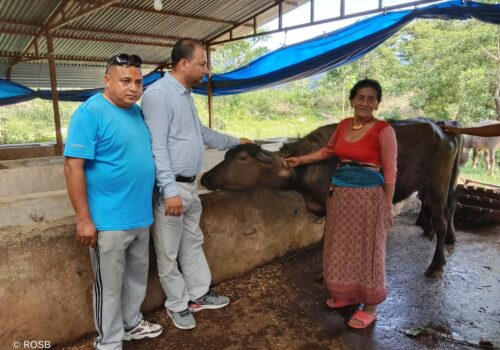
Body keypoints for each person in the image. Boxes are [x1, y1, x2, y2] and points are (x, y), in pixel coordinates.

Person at [141, 39, 252, 330]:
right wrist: (170, 190)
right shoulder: (158, 95)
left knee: (192, 242)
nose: (206, 70)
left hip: (190, 186)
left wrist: (235, 142)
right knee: (167, 251)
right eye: (202, 64)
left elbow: (199, 132)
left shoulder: (185, 94)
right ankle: (177, 305)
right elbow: (158, 146)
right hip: (173, 189)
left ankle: (199, 294)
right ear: (183, 64)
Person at [64, 54, 162, 350]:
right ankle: (108, 341)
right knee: (109, 285)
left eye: (138, 82)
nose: (133, 88)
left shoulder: (135, 112)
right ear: (107, 80)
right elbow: (73, 167)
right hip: (108, 220)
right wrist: (83, 219)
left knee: (136, 277)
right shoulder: (90, 112)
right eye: (125, 81)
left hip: (139, 215)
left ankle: (131, 323)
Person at [286, 79, 397, 329]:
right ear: (352, 101)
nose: (365, 102)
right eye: (360, 97)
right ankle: (346, 294)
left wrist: (387, 205)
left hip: (369, 198)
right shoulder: (344, 125)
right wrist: (299, 160)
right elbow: (327, 151)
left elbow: (390, 171)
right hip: (341, 197)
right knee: (341, 246)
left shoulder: (384, 130)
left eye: (371, 98)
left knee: (368, 250)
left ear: (377, 103)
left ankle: (370, 307)